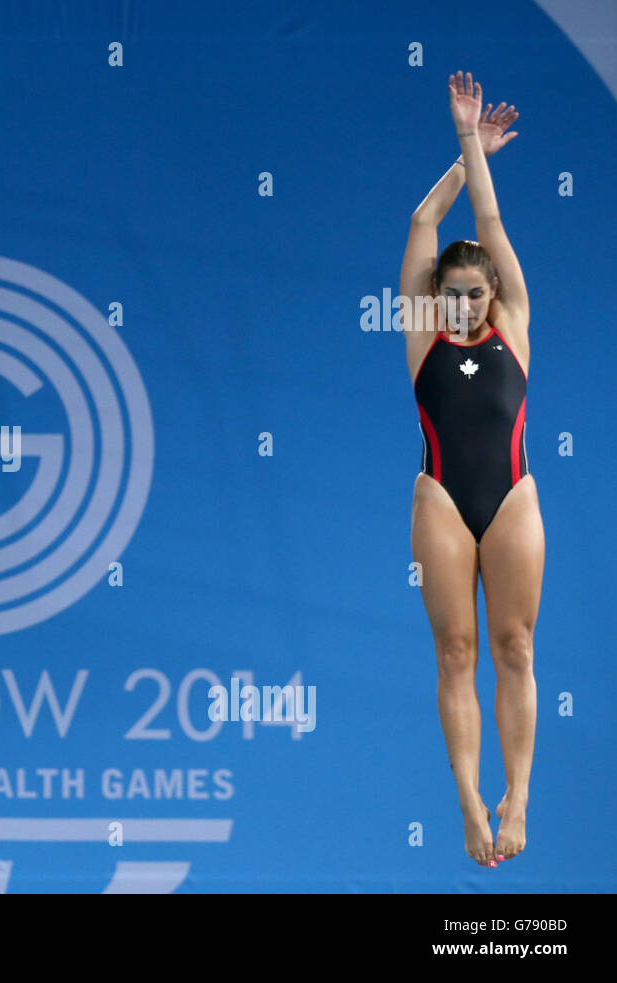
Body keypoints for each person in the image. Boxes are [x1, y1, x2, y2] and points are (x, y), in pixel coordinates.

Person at [399, 70, 539, 868]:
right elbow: (426, 219)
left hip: (514, 497)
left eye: (474, 294)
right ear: (435, 297)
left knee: (514, 646)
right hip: (441, 500)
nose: (462, 307)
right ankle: (468, 803)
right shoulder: (422, 334)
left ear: (493, 292)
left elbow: (486, 217)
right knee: (456, 650)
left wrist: (474, 149)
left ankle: (518, 795)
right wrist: (462, 152)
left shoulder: (513, 319)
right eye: (450, 294)